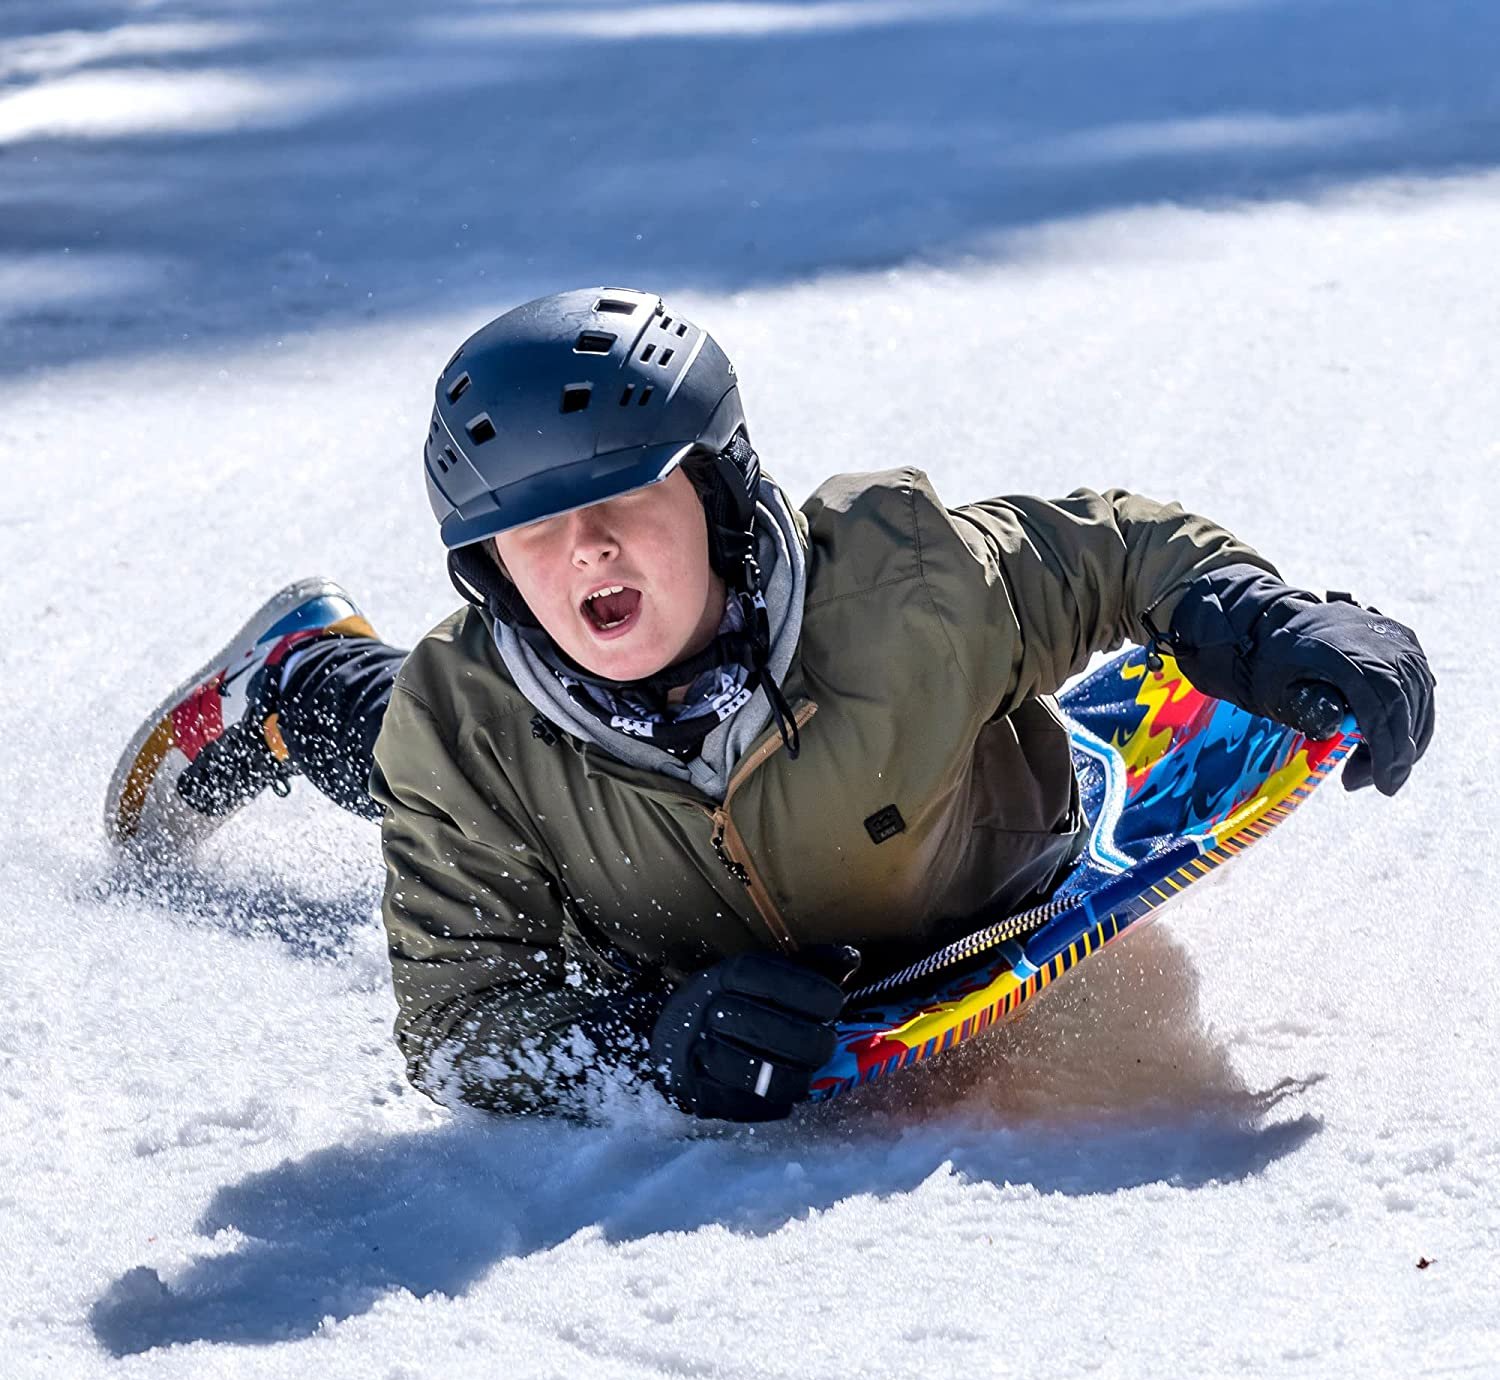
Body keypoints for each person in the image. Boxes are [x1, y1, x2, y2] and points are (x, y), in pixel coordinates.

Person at [105, 287, 1436, 1123]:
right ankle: (296, 674)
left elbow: (1119, 555)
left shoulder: (906, 587)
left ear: (721, 492)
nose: (587, 549)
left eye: (625, 497)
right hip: (609, 891)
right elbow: (461, 1030)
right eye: (534, 531)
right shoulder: (467, 727)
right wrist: (645, 1048)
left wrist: (1267, 622)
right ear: (490, 569)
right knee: (404, 735)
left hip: (1001, 859)